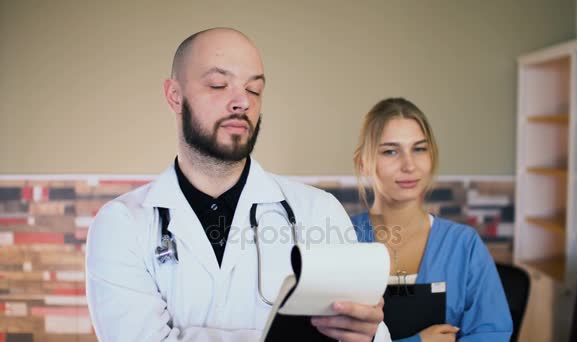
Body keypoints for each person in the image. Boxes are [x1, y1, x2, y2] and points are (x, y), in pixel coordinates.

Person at [85, 28, 389, 341]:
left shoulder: (318, 212)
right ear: (174, 95)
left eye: (254, 89)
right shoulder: (120, 224)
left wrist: (366, 334)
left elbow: (369, 333)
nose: (242, 101)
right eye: (218, 85)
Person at [351, 98, 512, 342]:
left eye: (419, 149)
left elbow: (491, 335)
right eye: (390, 151)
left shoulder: (464, 245)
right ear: (363, 163)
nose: (409, 165)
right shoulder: (341, 241)